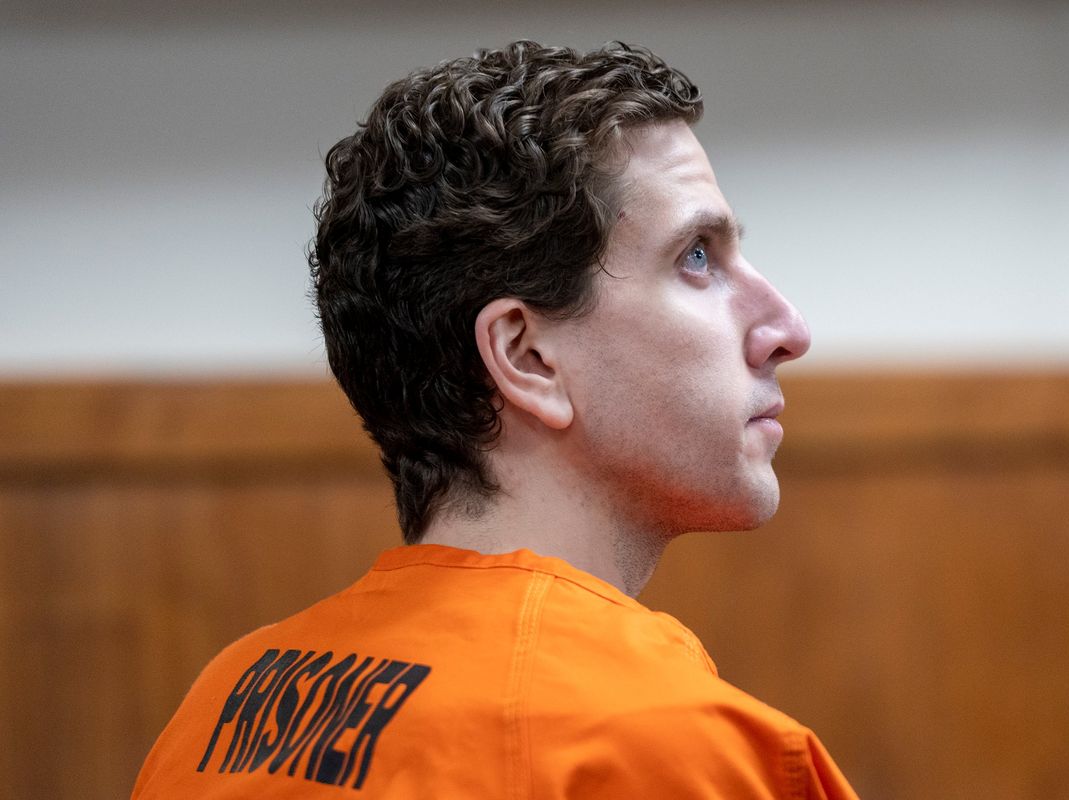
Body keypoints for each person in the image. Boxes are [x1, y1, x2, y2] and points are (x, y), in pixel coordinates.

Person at [132, 40, 859, 798]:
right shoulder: (666, 746)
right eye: (697, 257)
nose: (787, 327)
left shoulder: (224, 709)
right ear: (528, 358)